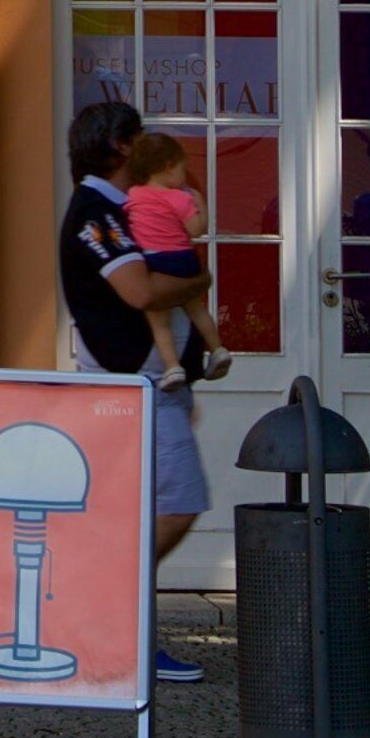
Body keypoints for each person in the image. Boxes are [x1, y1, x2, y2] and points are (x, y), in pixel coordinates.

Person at [58, 98, 215, 682]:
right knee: (176, 506)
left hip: (155, 380)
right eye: (142, 137)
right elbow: (141, 292)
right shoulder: (95, 213)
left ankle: (129, 640)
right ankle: (101, 607)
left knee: (151, 509)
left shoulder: (124, 206)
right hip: (133, 383)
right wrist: (201, 279)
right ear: (122, 146)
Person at [120, 130, 235, 387]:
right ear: (169, 167)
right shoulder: (179, 197)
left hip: (155, 262)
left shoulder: (134, 195)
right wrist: (200, 205)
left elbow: (128, 226)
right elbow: (196, 230)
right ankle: (218, 349)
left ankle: (172, 367)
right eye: (183, 168)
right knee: (196, 308)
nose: (184, 175)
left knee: (159, 320)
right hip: (184, 259)